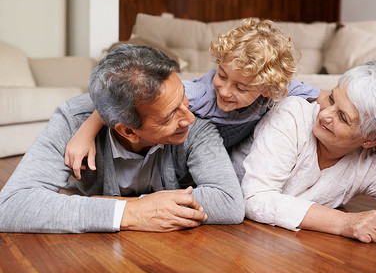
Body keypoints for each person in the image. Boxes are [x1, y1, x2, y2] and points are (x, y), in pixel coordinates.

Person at [0, 45, 244, 233]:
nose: (189, 117)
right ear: (127, 130)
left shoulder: (197, 123)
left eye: (183, 97)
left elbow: (229, 202)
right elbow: (11, 206)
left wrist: (107, 203)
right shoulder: (73, 120)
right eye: (170, 115)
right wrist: (131, 212)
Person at [64, 18, 324, 179]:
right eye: (222, 75)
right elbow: (120, 101)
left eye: (241, 88)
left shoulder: (276, 93)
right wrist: (85, 133)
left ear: (267, 89)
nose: (224, 91)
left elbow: (322, 96)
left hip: (233, 157)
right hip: (189, 156)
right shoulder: (198, 94)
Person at [231, 59, 376, 243]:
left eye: (343, 117)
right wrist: (344, 222)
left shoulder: (368, 164)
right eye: (332, 99)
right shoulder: (293, 114)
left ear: (372, 139)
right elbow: (255, 198)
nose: (325, 114)